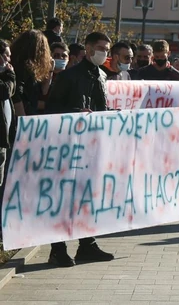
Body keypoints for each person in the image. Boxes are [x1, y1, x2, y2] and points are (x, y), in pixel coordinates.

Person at [45, 31, 114, 267]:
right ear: (88, 48)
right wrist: (77, 113)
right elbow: (52, 109)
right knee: (63, 198)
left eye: (107, 49)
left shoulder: (102, 75)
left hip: (92, 146)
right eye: (101, 48)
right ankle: (57, 249)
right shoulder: (69, 76)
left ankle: (87, 244)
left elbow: (101, 107)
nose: (104, 53)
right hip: (67, 145)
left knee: (88, 196)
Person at [10, 29, 52, 117]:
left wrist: (50, 70)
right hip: (22, 116)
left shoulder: (31, 68)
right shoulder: (23, 68)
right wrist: (23, 117)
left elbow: (44, 91)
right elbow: (17, 95)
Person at [0, 40, 16, 190]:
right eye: (7, 55)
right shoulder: (6, 77)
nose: (9, 60)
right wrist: (11, 75)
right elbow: (5, 91)